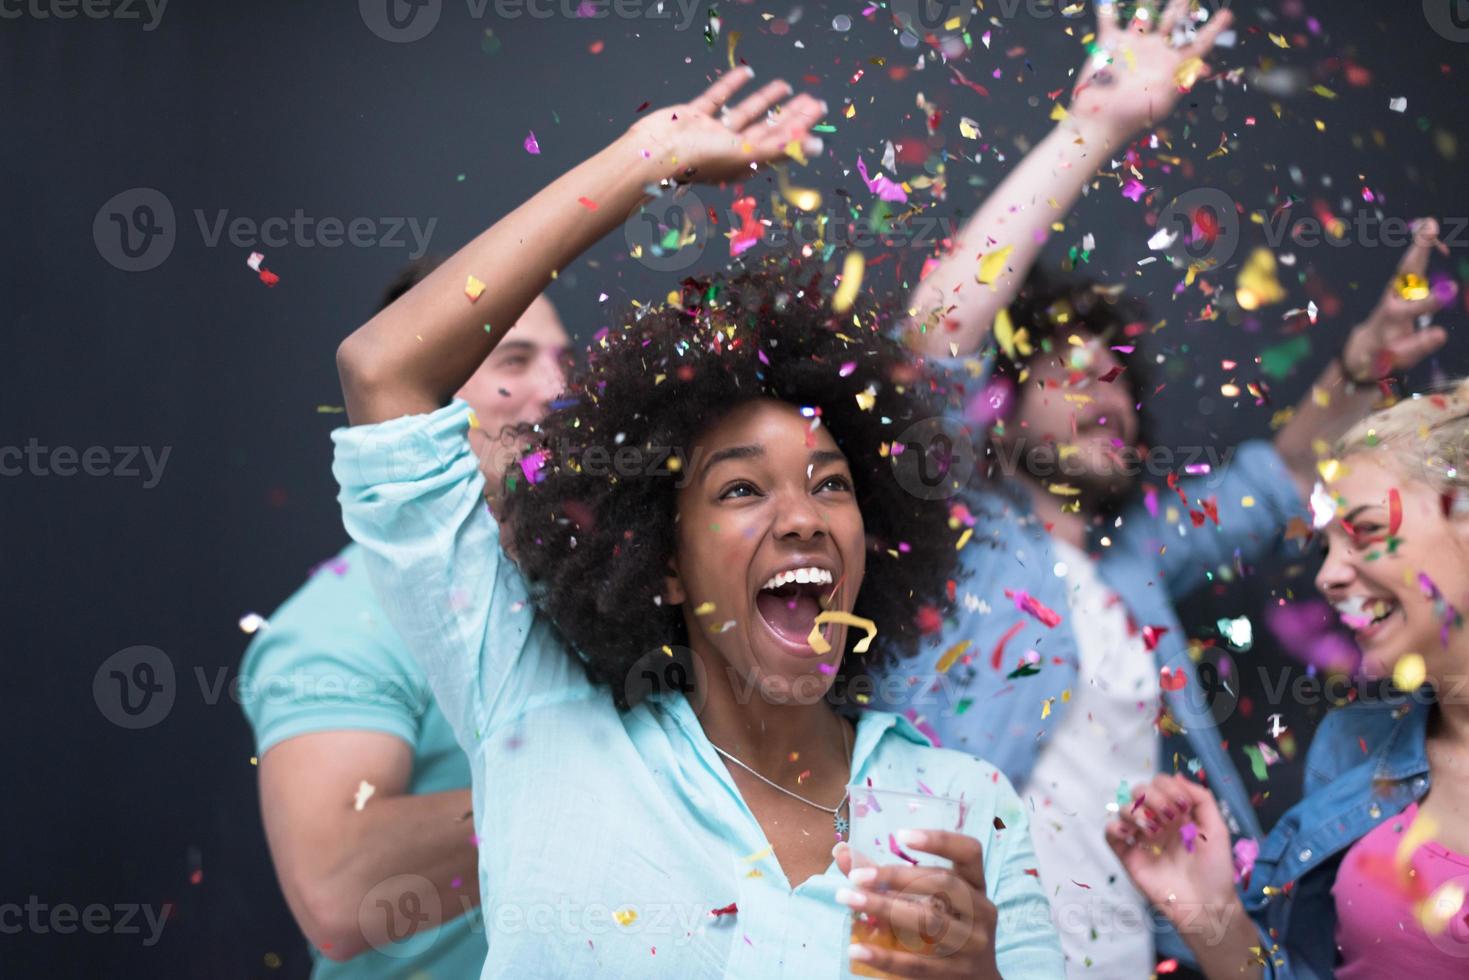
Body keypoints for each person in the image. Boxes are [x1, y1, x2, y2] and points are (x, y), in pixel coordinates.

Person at [331, 69, 1065, 977]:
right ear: (663, 563)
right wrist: (647, 161)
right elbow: (382, 372)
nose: (801, 516)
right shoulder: (533, 708)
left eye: (829, 485)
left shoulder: (965, 805)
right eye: (740, 491)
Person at [886, 1, 1455, 974]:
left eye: (1116, 375)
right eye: (1069, 373)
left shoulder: (1134, 560)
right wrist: (1095, 126)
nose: (1104, 389)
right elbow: (937, 334)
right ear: (1001, 408)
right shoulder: (952, 534)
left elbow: (1275, 478)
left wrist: (1356, 372)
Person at [241, 261, 570, 976]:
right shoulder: (337, 621)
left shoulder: (590, 584)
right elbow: (338, 892)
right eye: (513, 362)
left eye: (563, 362)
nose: (556, 390)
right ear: (422, 390)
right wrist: (591, 773)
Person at [1108, 381, 1469, 978]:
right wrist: (1213, 916)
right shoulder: (1351, 750)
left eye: (1366, 531)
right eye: (1325, 545)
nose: (1327, 576)